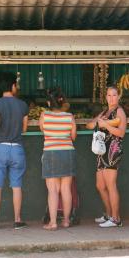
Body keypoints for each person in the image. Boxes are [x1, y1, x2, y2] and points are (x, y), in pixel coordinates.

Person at [0, 72, 29, 230]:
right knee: (16, 186)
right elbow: (24, 128)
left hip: (0, 148)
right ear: (12, 86)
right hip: (17, 149)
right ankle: (17, 220)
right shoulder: (23, 105)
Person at [86, 86, 127, 228]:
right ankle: (109, 215)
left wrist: (106, 125)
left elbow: (121, 133)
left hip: (113, 149)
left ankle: (116, 219)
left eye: (114, 95)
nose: (111, 98)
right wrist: (98, 122)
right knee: (100, 185)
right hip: (101, 150)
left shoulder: (119, 111)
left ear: (119, 96)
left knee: (110, 185)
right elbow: (89, 125)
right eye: (109, 95)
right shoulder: (104, 112)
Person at [39, 88, 77, 230]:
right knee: (66, 188)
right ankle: (66, 221)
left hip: (51, 152)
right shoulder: (69, 116)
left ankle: (53, 222)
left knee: (53, 190)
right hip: (67, 152)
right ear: (62, 101)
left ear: (49, 102)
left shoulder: (44, 115)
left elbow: (43, 130)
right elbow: (73, 136)